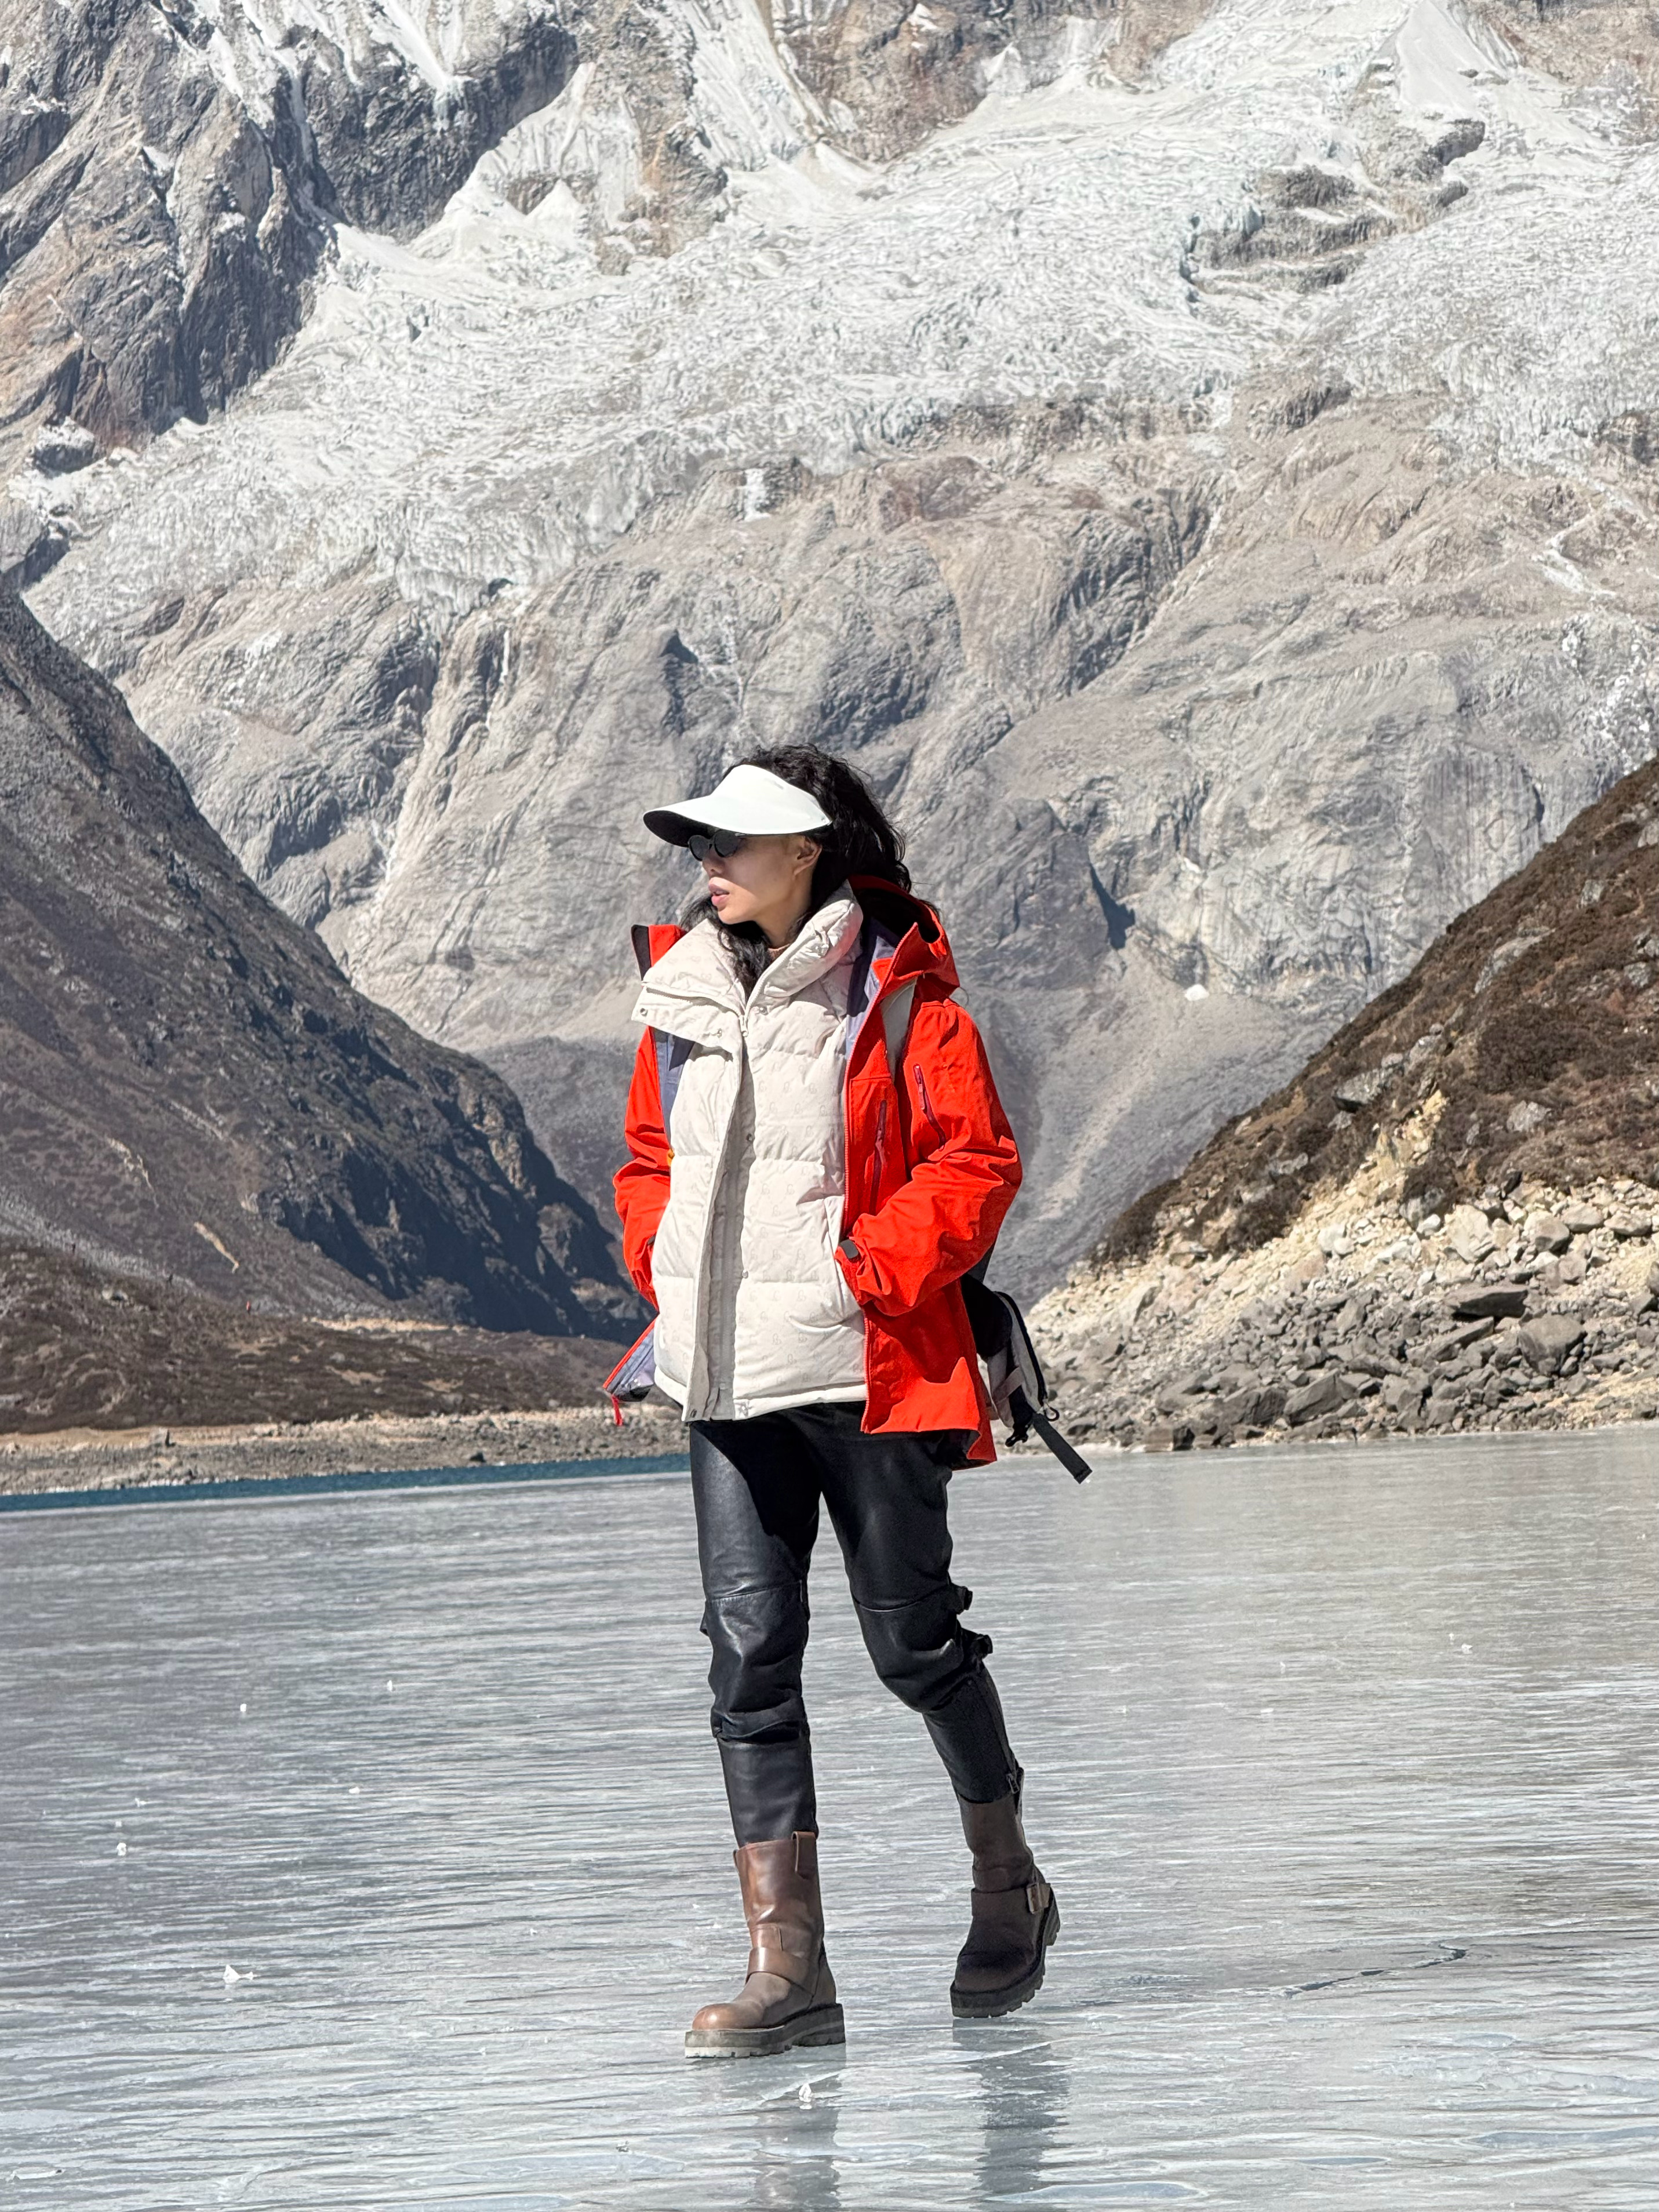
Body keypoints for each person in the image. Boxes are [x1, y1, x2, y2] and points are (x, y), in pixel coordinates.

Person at [609, 744, 1058, 2058]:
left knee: (912, 1643)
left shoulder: (904, 994)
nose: (709, 867)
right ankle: (788, 1972)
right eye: (701, 847)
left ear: (808, 851)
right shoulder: (677, 995)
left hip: (866, 1371)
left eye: (732, 845)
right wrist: (665, 1260)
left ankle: (1006, 1884)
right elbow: (648, 1159)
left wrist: (868, 1272)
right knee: (746, 1662)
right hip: (725, 1376)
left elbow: (977, 1161)